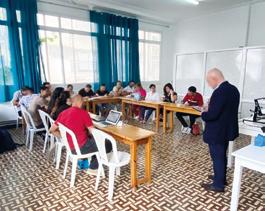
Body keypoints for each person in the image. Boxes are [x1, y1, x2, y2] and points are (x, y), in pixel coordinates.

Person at [201, 68, 240, 193]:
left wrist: (203, 113)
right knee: (222, 155)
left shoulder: (219, 92)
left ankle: (218, 185)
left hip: (217, 131)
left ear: (214, 79)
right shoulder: (234, 89)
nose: (209, 84)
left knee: (217, 157)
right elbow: (226, 110)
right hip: (226, 130)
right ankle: (221, 178)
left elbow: (213, 115)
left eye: (209, 82)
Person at [49, 95, 112, 172]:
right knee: (107, 144)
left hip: (69, 147)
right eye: (83, 102)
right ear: (80, 102)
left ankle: (84, 162)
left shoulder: (63, 113)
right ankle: (93, 168)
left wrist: (64, 137)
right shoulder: (83, 113)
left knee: (93, 142)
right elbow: (93, 132)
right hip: (81, 148)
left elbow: (51, 130)